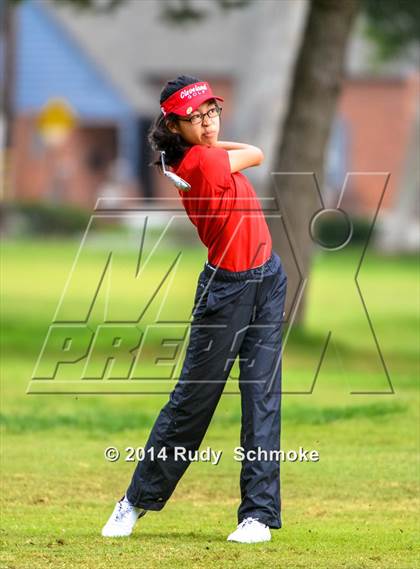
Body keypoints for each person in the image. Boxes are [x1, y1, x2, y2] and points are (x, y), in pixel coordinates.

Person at [101, 75, 288, 544]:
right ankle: (134, 502)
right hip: (226, 292)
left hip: (268, 278)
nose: (208, 124)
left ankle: (258, 517)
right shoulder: (202, 162)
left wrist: (194, 131)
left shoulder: (185, 153)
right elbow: (257, 153)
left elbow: (242, 149)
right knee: (192, 405)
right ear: (172, 124)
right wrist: (205, 139)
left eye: (212, 113)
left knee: (261, 399)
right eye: (196, 117)